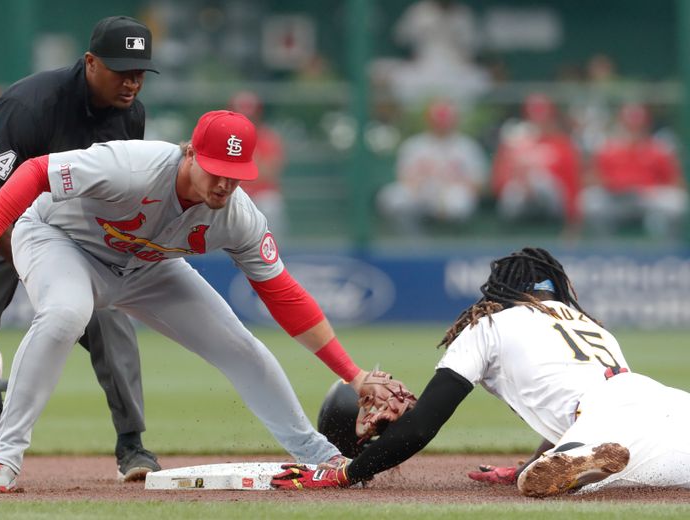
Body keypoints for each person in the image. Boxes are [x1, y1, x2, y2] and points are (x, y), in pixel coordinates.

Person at [0, 109, 412, 493]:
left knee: (239, 344)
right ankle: (3, 459)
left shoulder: (238, 215)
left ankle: (318, 454)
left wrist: (352, 375)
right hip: (60, 240)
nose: (224, 185)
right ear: (189, 153)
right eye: (216, 170)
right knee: (66, 313)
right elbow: (34, 172)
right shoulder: (131, 166)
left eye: (236, 175)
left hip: (144, 265)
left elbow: (283, 294)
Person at [0, 15, 162, 482]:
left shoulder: (131, 115)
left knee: (110, 322)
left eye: (140, 71)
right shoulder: (29, 104)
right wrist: (24, 254)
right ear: (90, 62)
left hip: (78, 240)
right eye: (121, 70)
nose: (132, 82)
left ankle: (132, 444)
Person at [271, 247, 690, 497]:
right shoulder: (584, 320)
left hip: (602, 419)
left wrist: (345, 472)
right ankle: (568, 458)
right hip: (662, 400)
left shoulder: (484, 325)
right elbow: (575, 401)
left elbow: (420, 428)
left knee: (537, 485)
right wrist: (535, 457)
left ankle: (572, 461)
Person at [375, 99, 487, 233]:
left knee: (459, 201)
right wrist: (419, 188)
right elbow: (403, 176)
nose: (442, 124)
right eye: (438, 119)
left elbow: (478, 183)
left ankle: (451, 239)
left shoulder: (467, 146)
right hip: (421, 191)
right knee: (392, 197)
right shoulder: (415, 145)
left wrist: (449, 188)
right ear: (429, 121)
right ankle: (413, 241)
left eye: (445, 119)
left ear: (454, 120)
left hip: (452, 192)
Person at [580, 103, 687, 240]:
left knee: (676, 201)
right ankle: (604, 245)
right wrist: (611, 184)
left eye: (638, 126)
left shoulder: (658, 149)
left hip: (647, 198)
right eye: (629, 125)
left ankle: (665, 245)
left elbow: (677, 182)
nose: (633, 130)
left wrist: (652, 189)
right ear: (621, 124)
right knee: (589, 200)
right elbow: (590, 179)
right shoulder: (608, 149)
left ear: (646, 126)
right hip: (617, 199)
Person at [491, 94, 583, 235]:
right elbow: (499, 181)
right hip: (520, 202)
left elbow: (571, 184)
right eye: (533, 114)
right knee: (514, 188)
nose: (538, 119)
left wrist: (572, 221)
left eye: (543, 115)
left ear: (552, 117)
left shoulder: (562, 145)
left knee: (539, 177)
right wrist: (522, 180)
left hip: (552, 206)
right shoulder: (513, 144)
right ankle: (508, 231)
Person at [228, 91, 287, 239]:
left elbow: (269, 173)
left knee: (270, 204)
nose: (246, 118)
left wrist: (238, 170)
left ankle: (274, 255)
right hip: (232, 193)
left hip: (261, 194)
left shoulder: (268, 137)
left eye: (250, 114)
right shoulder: (224, 136)